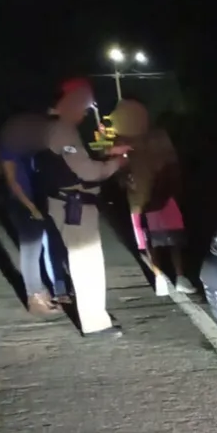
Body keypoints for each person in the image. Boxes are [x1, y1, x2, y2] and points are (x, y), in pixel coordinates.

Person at [37, 78, 130, 335]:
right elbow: (86, 171)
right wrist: (117, 163)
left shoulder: (49, 125)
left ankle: (93, 315)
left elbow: (70, 161)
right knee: (87, 263)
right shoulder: (62, 129)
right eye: (84, 106)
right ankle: (95, 323)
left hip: (63, 202)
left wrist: (108, 155)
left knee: (81, 261)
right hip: (73, 206)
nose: (85, 113)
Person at [109, 99, 196, 295]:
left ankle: (178, 277)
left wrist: (174, 185)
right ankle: (161, 277)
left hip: (162, 195)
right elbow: (118, 172)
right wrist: (123, 175)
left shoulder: (157, 135)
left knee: (173, 238)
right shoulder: (121, 140)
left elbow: (172, 163)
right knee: (151, 240)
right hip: (141, 198)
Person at [0, 112, 71, 315]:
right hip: (22, 204)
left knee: (36, 250)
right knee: (30, 251)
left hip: (31, 201)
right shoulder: (9, 149)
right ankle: (34, 298)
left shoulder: (24, 148)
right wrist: (31, 207)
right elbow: (13, 182)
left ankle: (40, 294)